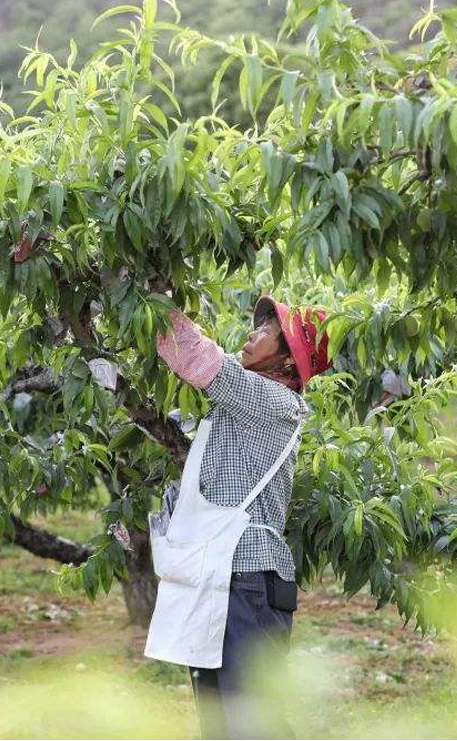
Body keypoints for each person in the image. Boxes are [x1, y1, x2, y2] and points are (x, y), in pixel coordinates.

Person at [144, 295, 332, 739]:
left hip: (250, 582)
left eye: (265, 331)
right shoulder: (242, 404)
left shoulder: (273, 400)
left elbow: (200, 358)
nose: (251, 334)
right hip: (221, 578)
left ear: (288, 358)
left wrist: (145, 300)